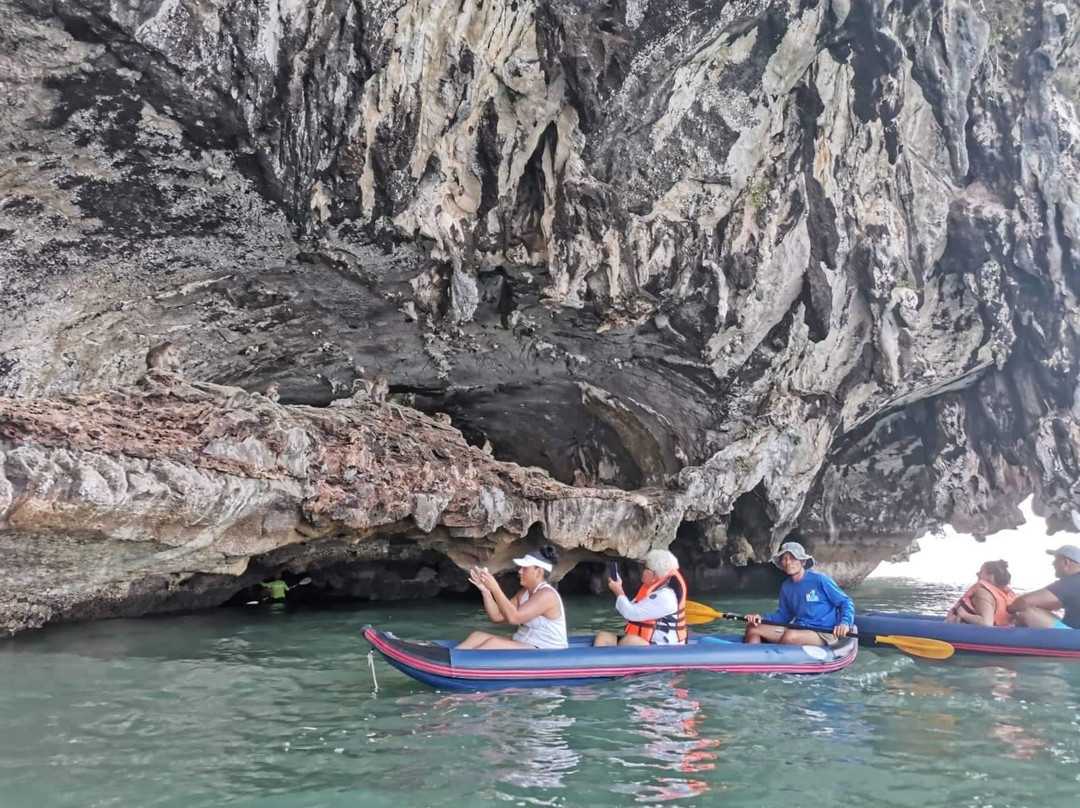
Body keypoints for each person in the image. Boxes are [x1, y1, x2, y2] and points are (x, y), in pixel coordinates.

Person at [456, 547, 568, 650]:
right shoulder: (524, 593)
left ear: (539, 572)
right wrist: (486, 591)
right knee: (477, 636)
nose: (519, 571)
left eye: (525, 568)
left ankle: (461, 668)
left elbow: (514, 618)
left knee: (493, 644)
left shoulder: (547, 595)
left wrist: (495, 588)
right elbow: (497, 616)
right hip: (524, 643)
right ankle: (450, 661)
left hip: (547, 650)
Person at [743, 541, 854, 645]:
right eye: (784, 559)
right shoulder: (786, 587)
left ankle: (776, 660)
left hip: (824, 632)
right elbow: (784, 615)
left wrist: (844, 624)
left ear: (803, 561)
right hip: (799, 629)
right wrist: (761, 619)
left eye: (792, 558)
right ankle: (754, 662)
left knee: (790, 636)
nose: (787, 562)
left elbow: (846, 602)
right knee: (752, 628)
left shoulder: (820, 580)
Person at [594, 549, 688, 646]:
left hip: (663, 646)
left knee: (630, 641)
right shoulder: (653, 591)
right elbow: (631, 608)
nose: (642, 571)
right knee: (603, 637)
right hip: (646, 641)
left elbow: (630, 613)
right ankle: (597, 661)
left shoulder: (665, 597)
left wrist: (617, 591)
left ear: (654, 575)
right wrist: (619, 588)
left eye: (645, 568)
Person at [1007, 545, 1080, 629]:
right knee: (1035, 610)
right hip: (1074, 633)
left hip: (1074, 637)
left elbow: (1023, 601)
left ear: (1066, 562)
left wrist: (1009, 610)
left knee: (1026, 612)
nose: (1053, 563)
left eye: (1056, 560)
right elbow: (1050, 605)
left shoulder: (1073, 582)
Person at [946, 560, 1016, 626]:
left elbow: (987, 623)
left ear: (991, 577)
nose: (977, 574)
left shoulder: (983, 593)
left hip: (964, 635)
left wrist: (963, 614)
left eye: (981, 572)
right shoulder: (1007, 595)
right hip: (1001, 635)